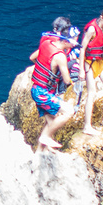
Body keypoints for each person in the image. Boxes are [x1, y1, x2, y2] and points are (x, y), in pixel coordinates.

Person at [29, 21, 77, 150]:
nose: (73, 44)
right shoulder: (60, 56)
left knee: (51, 120)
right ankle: (45, 137)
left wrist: (45, 69)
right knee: (68, 111)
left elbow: (33, 57)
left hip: (36, 89)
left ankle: (40, 151)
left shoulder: (47, 43)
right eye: (72, 41)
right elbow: (67, 80)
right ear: (66, 41)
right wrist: (75, 78)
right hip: (43, 93)